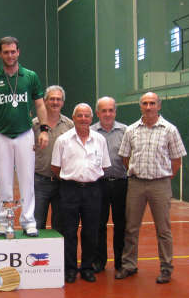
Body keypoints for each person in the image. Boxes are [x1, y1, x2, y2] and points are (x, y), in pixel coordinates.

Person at [116, 92, 186, 284]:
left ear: (159, 106)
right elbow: (125, 158)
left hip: (160, 185)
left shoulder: (169, 130)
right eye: (145, 103)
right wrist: (136, 172)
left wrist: (164, 176)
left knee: (163, 230)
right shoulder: (131, 130)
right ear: (140, 106)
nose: (148, 107)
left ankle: (166, 268)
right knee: (131, 228)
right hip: (136, 184)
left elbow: (176, 160)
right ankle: (129, 265)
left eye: (152, 103)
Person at [0, 36, 49, 236]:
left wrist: (44, 130)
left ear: (18, 52)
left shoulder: (30, 76)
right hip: (0, 135)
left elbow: (39, 104)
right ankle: (5, 222)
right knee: (3, 181)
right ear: (0, 54)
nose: (10, 55)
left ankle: (28, 220)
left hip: (24, 134)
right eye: (6, 52)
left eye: (13, 51)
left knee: (27, 179)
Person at [51, 103, 110, 283]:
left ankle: (86, 268)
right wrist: (73, 179)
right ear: (74, 118)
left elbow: (105, 166)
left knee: (91, 232)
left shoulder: (100, 140)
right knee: (68, 231)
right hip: (69, 190)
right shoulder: (63, 140)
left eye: (86, 116)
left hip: (93, 190)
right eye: (80, 116)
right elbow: (55, 167)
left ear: (91, 119)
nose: (83, 119)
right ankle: (70, 269)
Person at [91, 96, 128, 273]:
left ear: (115, 111)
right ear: (97, 112)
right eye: (103, 110)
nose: (107, 114)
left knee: (121, 224)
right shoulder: (90, 132)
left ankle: (121, 262)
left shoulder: (125, 131)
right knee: (99, 224)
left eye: (110, 110)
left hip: (121, 184)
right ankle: (99, 261)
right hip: (98, 185)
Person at [32, 86, 73, 231]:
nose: (55, 102)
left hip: (62, 183)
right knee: (36, 224)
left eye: (58, 99)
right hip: (39, 182)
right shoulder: (34, 125)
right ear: (45, 101)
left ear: (62, 102)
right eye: (52, 99)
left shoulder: (69, 125)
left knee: (60, 226)